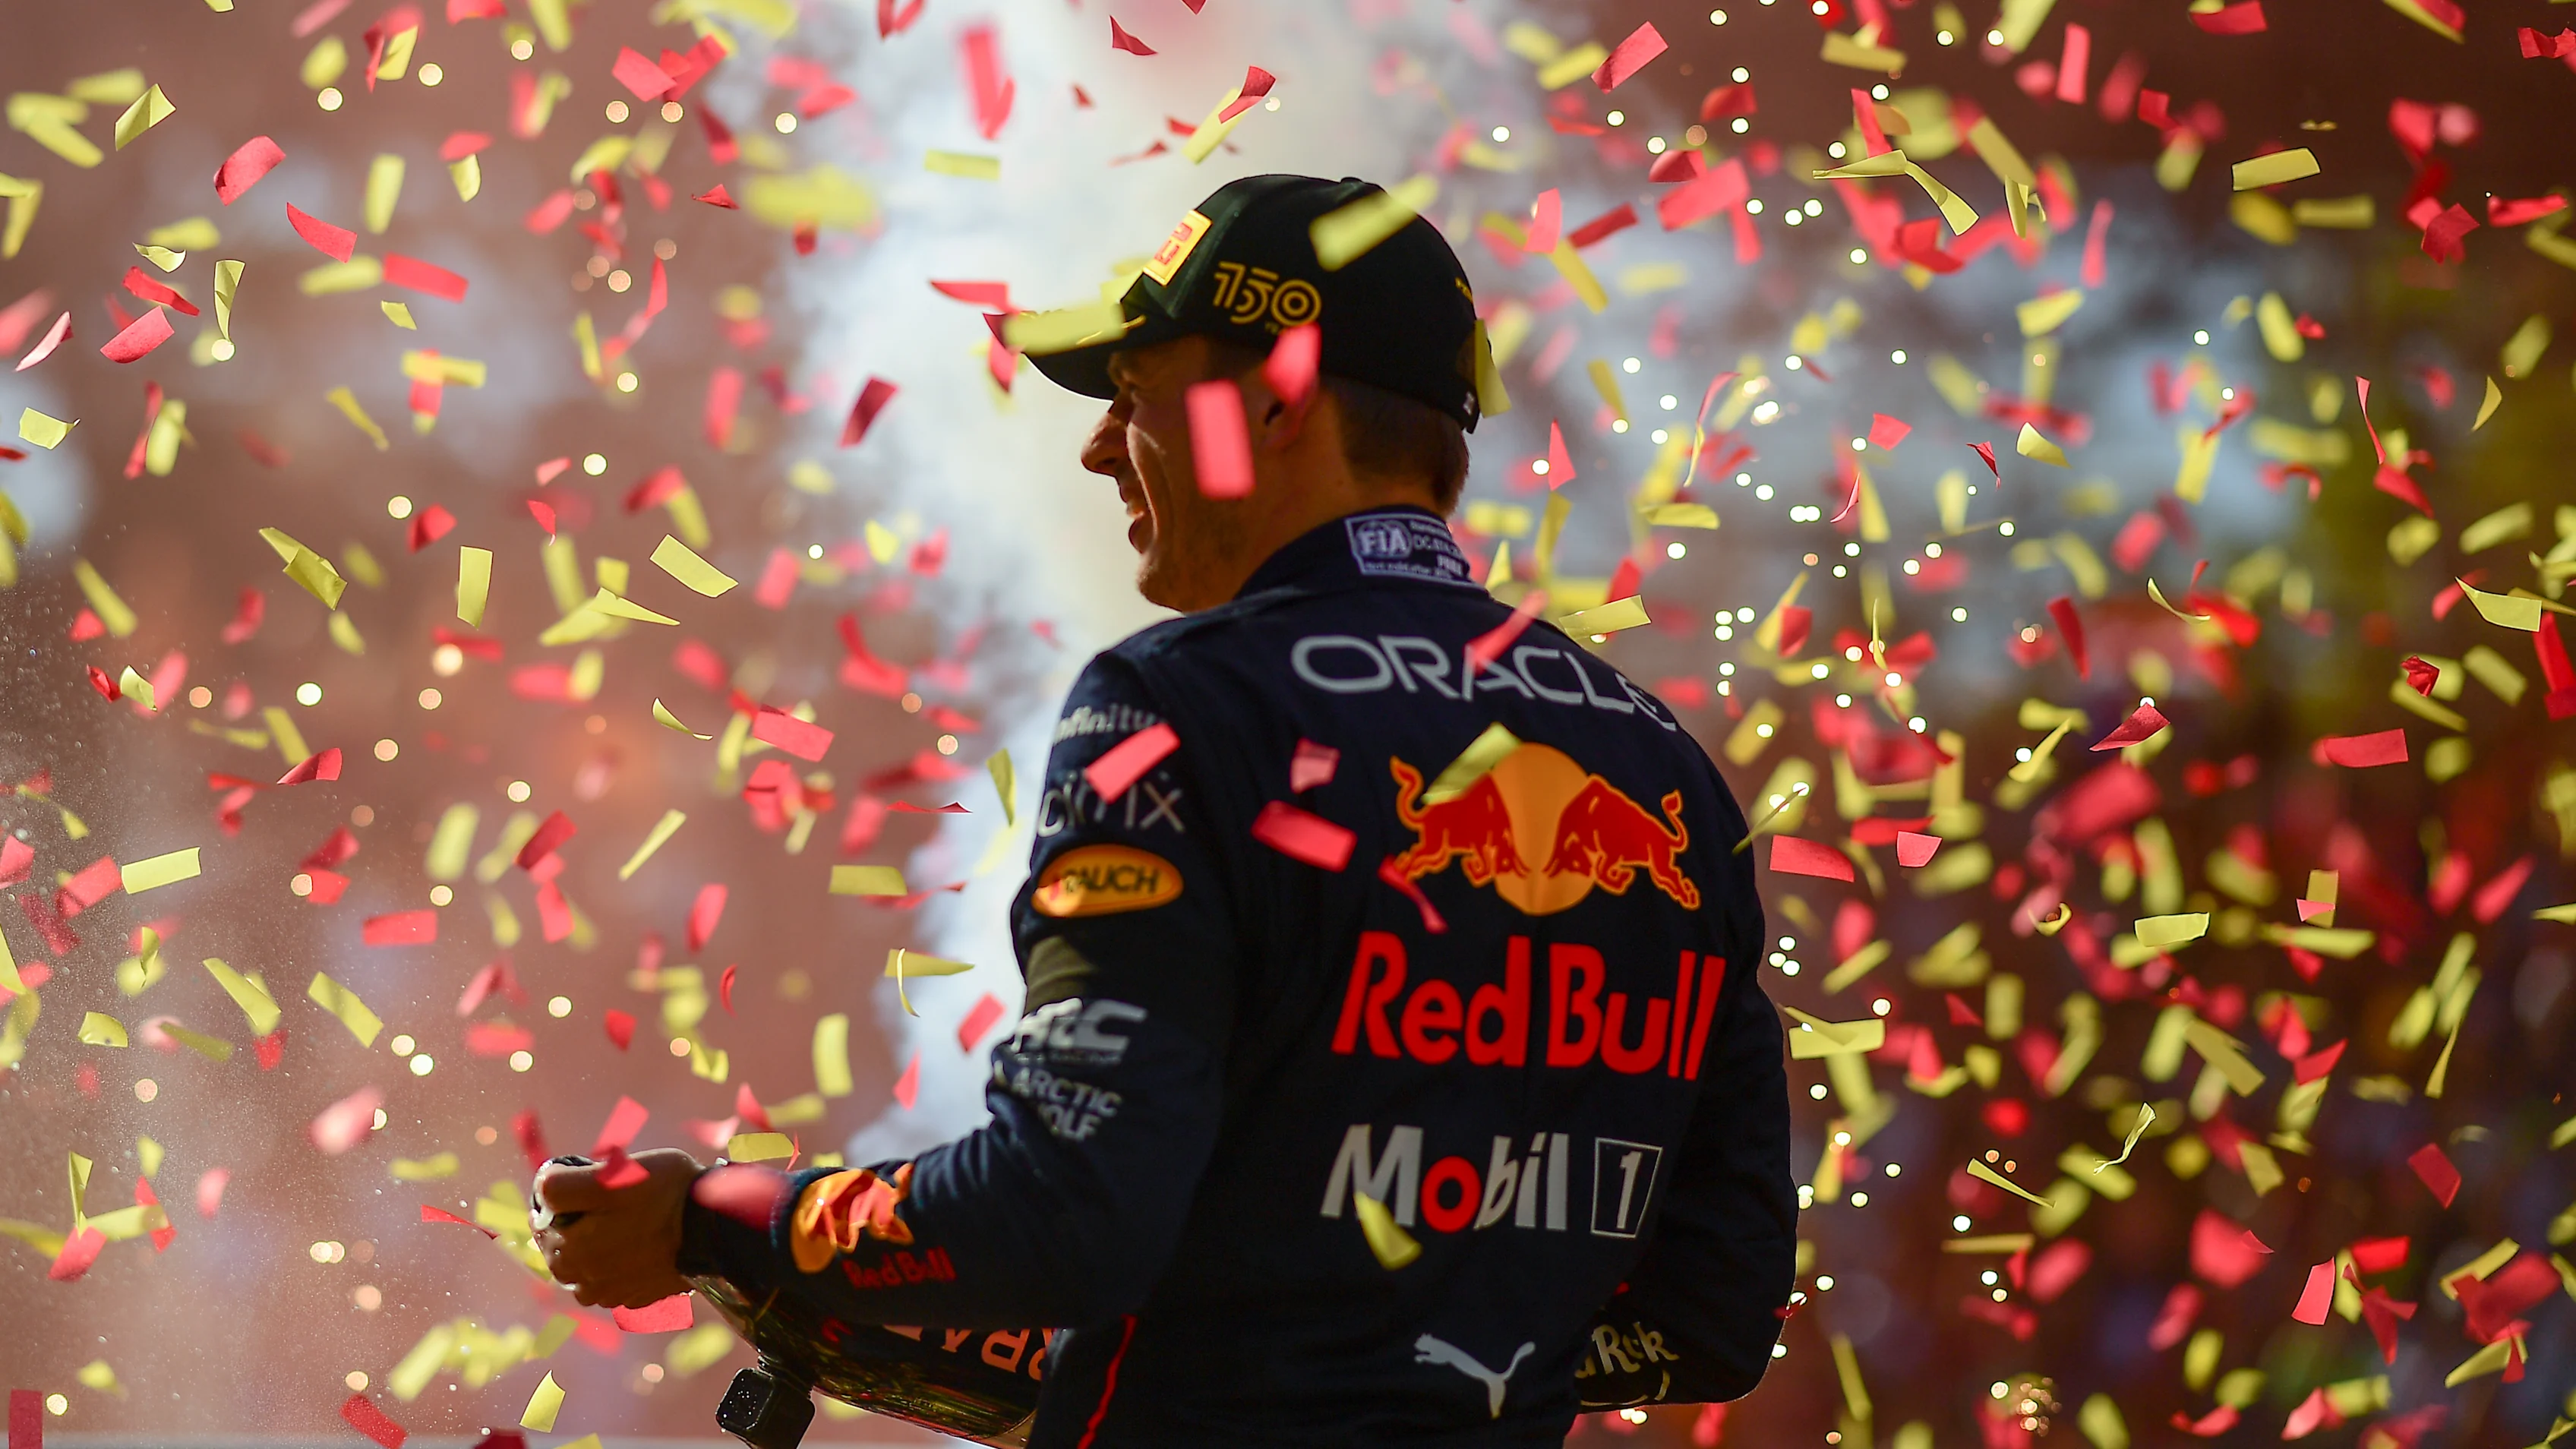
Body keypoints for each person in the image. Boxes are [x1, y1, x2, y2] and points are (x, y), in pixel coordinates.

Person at [535, 173, 1795, 1446]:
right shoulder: (1663, 770)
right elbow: (1714, 1312)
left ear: (1279, 399)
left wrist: (719, 1217)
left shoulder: (1179, 705)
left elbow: (1061, 1209)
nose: (1097, 447)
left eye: (1134, 398)